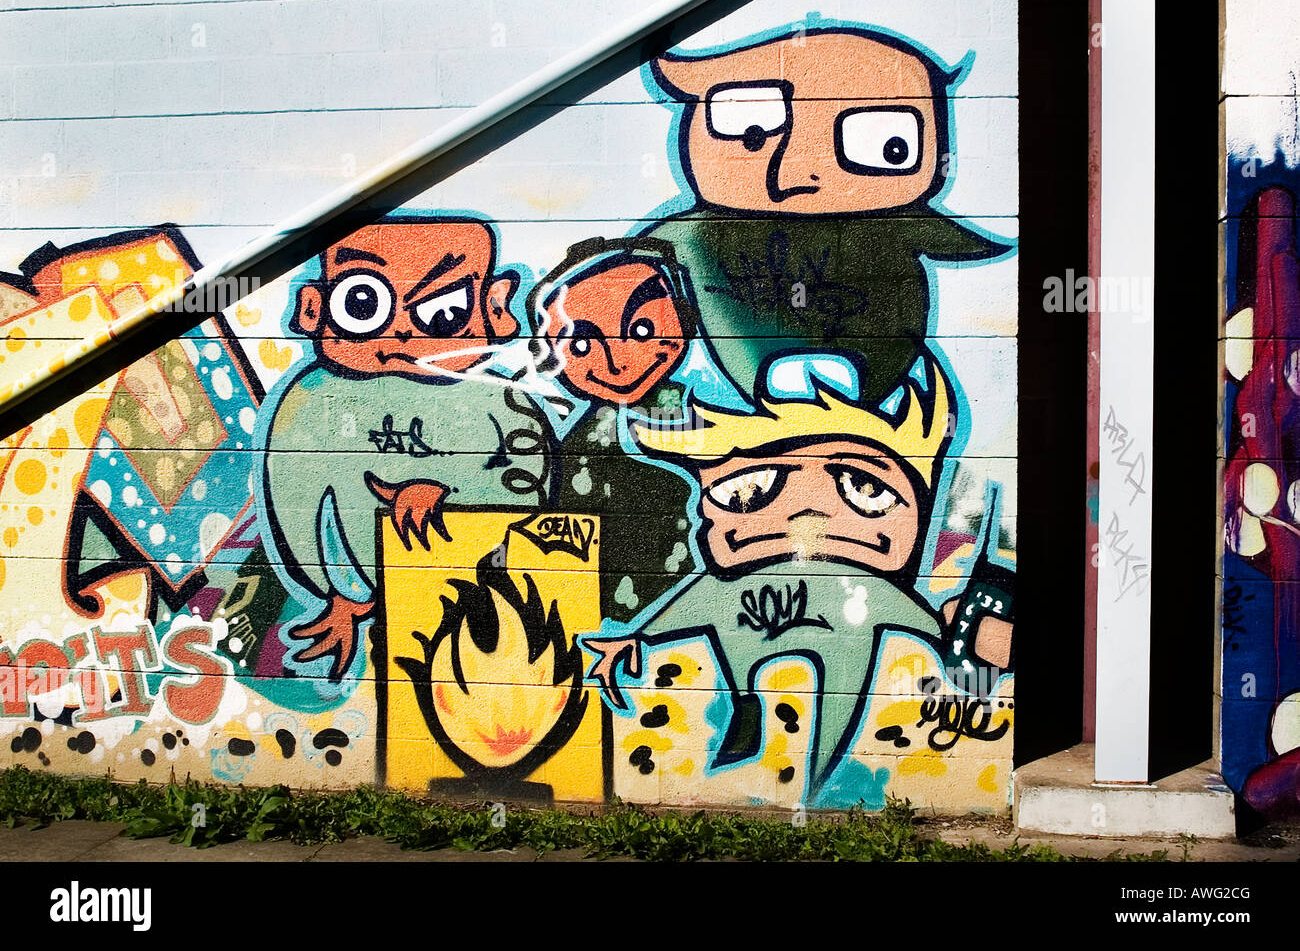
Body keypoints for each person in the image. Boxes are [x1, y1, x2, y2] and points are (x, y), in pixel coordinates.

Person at [583, 352, 1011, 800]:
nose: (808, 514)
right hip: (746, 678)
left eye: (864, 489)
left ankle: (815, 779)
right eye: (747, 490)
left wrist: (961, 629)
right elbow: (692, 604)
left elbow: (928, 624)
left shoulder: (872, 593)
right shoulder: (729, 587)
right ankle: (756, 733)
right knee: (757, 693)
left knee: (833, 718)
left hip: (851, 696)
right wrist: (635, 640)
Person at [644, 24, 1013, 404]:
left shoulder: (901, 227)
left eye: (886, 142)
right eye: (752, 129)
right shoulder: (694, 235)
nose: (794, 175)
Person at [260, 216, 553, 680]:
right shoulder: (307, 403)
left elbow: (528, 498)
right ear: (312, 308)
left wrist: (452, 495)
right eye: (362, 303)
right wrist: (346, 596)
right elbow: (304, 514)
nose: (400, 332)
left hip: (482, 612)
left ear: (496, 307)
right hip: (380, 619)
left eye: (443, 311)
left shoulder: (501, 401)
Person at [527, 237, 699, 625]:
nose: (617, 361)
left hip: (675, 604)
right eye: (583, 344)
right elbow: (571, 522)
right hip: (615, 612)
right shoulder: (585, 438)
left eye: (640, 329)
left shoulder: (688, 412)